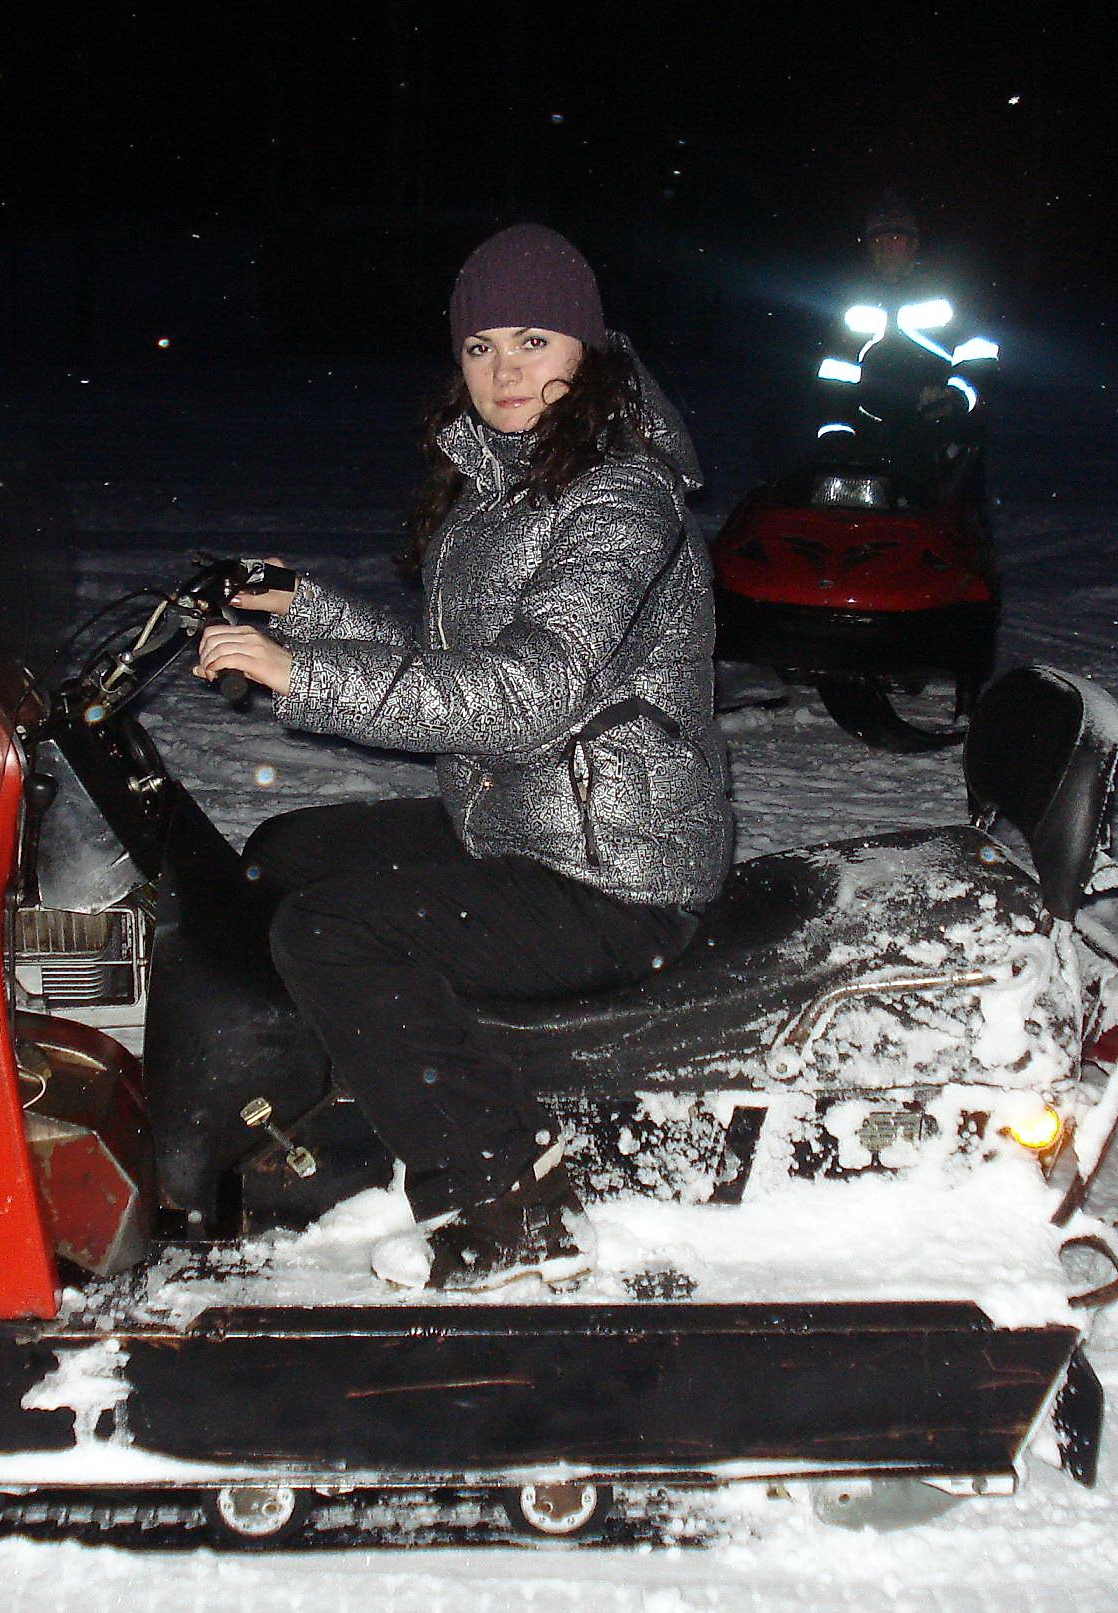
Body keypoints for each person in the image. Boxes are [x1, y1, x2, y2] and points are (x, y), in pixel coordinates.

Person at [194, 223, 731, 1293]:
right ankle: (342, 1101)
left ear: (587, 348)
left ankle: (506, 1195)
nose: (505, 371)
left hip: (613, 872)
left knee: (331, 929)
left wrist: (304, 677)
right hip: (522, 816)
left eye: (534, 341)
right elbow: (452, 666)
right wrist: (307, 613)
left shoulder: (619, 497)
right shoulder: (508, 486)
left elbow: (525, 692)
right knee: (289, 852)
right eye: (481, 347)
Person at [813, 192, 999, 495]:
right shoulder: (853, 300)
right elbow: (836, 372)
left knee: (936, 496)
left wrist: (954, 397)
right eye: (878, 241)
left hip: (938, 424)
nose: (886, 248)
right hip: (870, 425)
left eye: (895, 238)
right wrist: (836, 430)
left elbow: (979, 356)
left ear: (913, 244)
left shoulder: (949, 292)